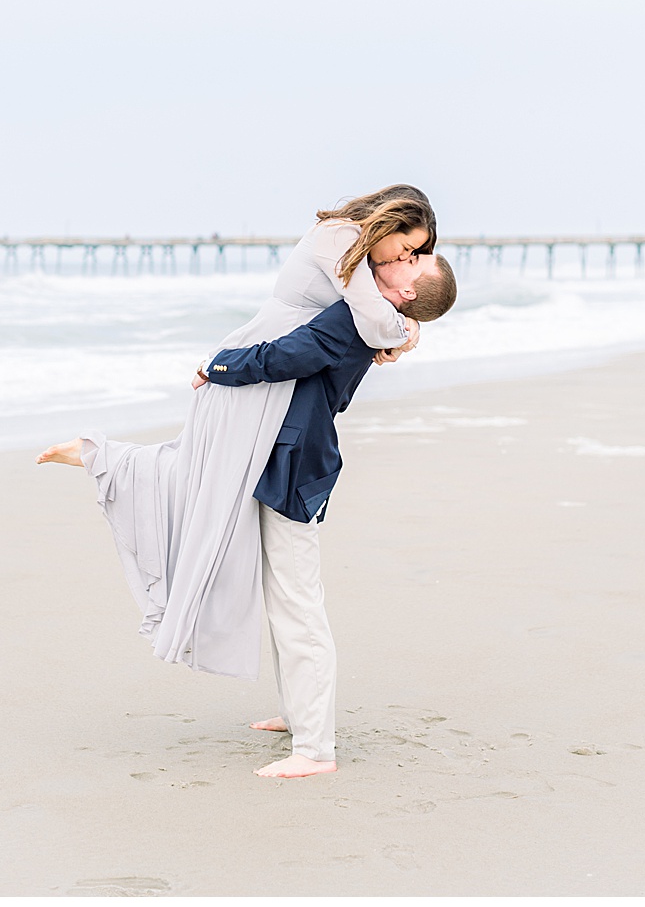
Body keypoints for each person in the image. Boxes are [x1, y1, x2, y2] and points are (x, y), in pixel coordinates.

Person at [37, 185, 437, 682]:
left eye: (415, 255)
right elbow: (374, 322)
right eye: (407, 248)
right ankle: (101, 458)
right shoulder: (338, 237)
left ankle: (99, 457)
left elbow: (372, 323)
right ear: (387, 224)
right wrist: (407, 333)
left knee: (208, 480)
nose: (408, 258)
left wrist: (400, 329)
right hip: (258, 362)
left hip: (272, 371)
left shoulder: (354, 253)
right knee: (205, 480)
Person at [194, 250, 457, 778]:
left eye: (414, 260)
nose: (404, 256)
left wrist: (217, 365)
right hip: (296, 454)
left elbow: (286, 355)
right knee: (286, 596)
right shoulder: (370, 318)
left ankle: (315, 749)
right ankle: (297, 714)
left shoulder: (355, 320)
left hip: (296, 462)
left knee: (298, 603)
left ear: (406, 294)